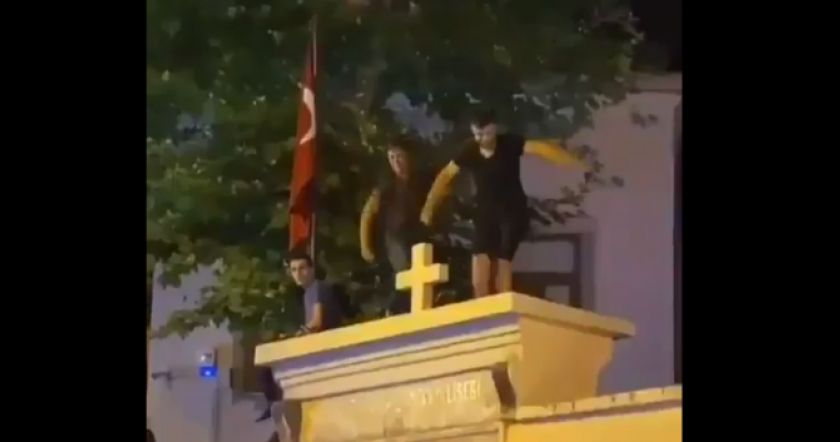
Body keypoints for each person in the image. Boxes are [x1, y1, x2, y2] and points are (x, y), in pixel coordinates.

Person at [420, 109, 585, 298]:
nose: (481, 139)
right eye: (477, 134)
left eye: (486, 134)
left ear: (494, 129)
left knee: (502, 259)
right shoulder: (470, 150)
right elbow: (445, 176)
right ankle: (481, 304)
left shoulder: (509, 143)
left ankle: (503, 300)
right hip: (485, 211)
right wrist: (429, 207)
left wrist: (570, 162)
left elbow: (540, 148)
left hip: (511, 209)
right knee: (480, 259)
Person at [257, 249, 343, 425]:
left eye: (302, 268)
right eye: (294, 269)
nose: (298, 274)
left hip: (325, 345)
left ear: (312, 269)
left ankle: (274, 400)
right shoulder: (307, 293)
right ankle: (274, 401)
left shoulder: (317, 288)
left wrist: (298, 334)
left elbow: (317, 322)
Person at [359, 135, 433, 315]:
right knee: (401, 278)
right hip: (394, 242)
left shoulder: (422, 182)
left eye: (399, 156)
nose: (396, 162)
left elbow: (434, 201)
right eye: (391, 157)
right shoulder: (384, 188)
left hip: (419, 239)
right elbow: (367, 215)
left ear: (408, 156)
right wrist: (366, 246)